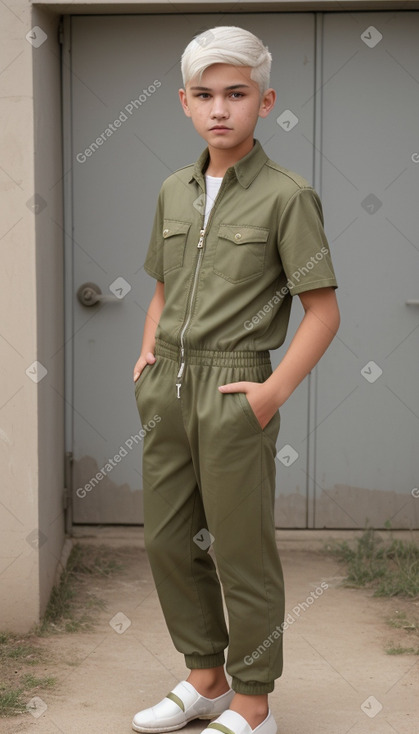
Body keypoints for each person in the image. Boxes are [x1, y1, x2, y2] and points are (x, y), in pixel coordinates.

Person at [132, 25, 340, 734]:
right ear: (185, 104)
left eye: (236, 94)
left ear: (265, 101)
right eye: (204, 95)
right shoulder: (171, 190)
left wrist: (270, 392)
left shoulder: (288, 197)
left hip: (235, 391)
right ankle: (205, 678)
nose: (219, 108)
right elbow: (161, 287)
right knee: (166, 540)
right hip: (167, 391)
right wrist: (144, 354)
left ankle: (253, 702)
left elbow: (321, 312)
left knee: (239, 550)